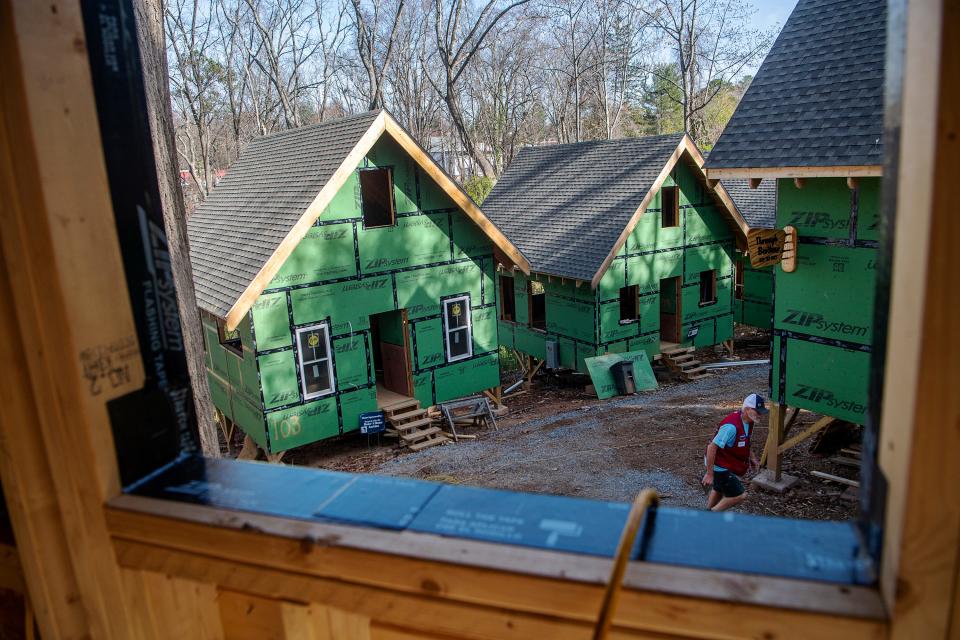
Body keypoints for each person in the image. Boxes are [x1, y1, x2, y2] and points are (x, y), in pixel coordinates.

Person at [702, 393, 767, 511]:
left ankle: (706, 514)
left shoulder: (749, 421)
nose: (760, 415)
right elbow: (711, 447)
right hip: (719, 466)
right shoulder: (731, 427)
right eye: (758, 411)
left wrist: (752, 457)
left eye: (761, 412)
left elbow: (746, 441)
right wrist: (709, 474)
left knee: (719, 489)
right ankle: (711, 516)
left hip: (726, 462)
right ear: (747, 409)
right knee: (740, 496)